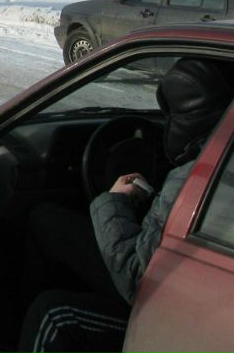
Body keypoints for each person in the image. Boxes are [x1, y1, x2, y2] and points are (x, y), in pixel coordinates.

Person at [20, 57, 233, 352]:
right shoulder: (222, 162)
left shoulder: (198, 176)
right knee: (48, 221)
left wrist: (115, 201)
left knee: (52, 313)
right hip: (207, 297)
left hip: (173, 311)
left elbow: (137, 280)